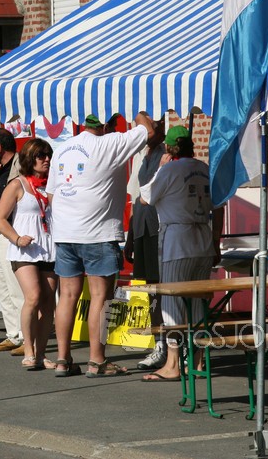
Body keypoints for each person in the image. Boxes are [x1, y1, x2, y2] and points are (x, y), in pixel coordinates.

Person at [46, 112, 155, 378]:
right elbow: (148, 130)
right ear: (107, 124)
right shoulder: (110, 142)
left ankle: (62, 359)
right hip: (97, 232)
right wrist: (137, 109)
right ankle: (96, 361)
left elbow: (51, 194)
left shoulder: (62, 149)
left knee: (67, 296)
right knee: (99, 297)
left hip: (66, 233)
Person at [137, 126, 223, 382]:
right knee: (197, 303)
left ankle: (173, 363)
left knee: (172, 302)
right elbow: (219, 207)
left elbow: (145, 198)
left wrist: (160, 168)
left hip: (177, 240)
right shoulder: (205, 169)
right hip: (203, 238)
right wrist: (216, 240)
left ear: (169, 148)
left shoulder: (169, 169)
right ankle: (197, 360)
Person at [0, 138, 57, 370]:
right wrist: (17, 238)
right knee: (33, 296)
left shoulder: (51, 185)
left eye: (48, 155)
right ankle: (28, 351)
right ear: (30, 158)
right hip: (25, 250)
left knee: (49, 302)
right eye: (41, 155)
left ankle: (41, 354)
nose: (46, 160)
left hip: (49, 247)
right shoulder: (17, 184)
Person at [124, 118, 168, 370]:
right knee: (150, 290)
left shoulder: (165, 155)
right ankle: (158, 343)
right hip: (141, 228)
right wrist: (130, 236)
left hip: (158, 228)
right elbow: (135, 197)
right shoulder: (140, 155)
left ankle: (169, 343)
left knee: (163, 289)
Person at [0, 128, 26, 355]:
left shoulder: (18, 167)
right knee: (3, 288)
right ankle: (13, 334)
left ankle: (25, 336)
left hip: (11, 234)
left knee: (16, 287)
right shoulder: (2, 170)